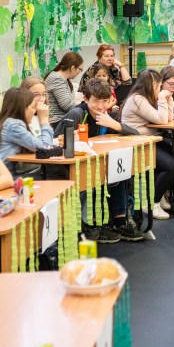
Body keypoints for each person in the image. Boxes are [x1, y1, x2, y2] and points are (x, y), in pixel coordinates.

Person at [60, 78, 143, 243]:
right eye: (96, 101)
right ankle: (93, 224)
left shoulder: (107, 116)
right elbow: (57, 141)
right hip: (75, 167)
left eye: (105, 101)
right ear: (86, 99)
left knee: (120, 172)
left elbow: (136, 134)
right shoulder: (77, 114)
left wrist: (115, 124)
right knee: (97, 180)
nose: (100, 106)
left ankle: (119, 221)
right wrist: (70, 139)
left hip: (99, 163)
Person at [118, 69, 174, 221]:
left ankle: (160, 195)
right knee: (171, 166)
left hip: (151, 140)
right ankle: (152, 202)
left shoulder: (146, 98)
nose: (160, 89)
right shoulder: (137, 99)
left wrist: (168, 100)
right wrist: (162, 99)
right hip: (138, 144)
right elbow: (162, 120)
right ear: (153, 84)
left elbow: (168, 118)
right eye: (159, 86)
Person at [0, 87, 55, 173]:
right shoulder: (13, 126)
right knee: (55, 172)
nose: (35, 111)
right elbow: (45, 148)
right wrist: (44, 120)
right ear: (23, 108)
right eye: (33, 107)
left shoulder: (1, 121)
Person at [46, 51, 84, 129]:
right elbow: (67, 105)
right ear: (72, 68)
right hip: (56, 122)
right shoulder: (57, 79)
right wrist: (85, 106)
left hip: (62, 119)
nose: (80, 72)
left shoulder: (65, 79)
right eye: (80, 69)